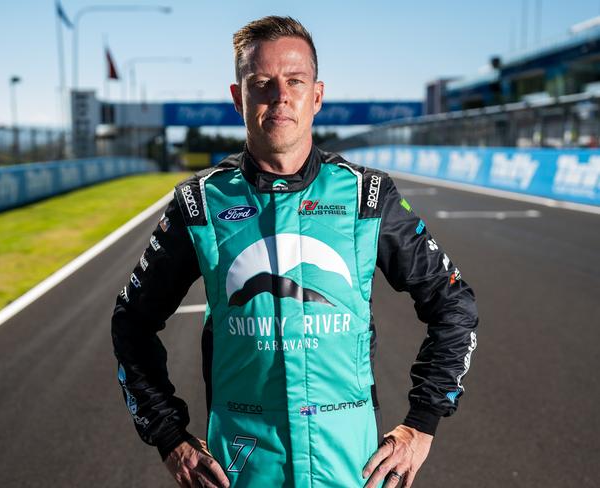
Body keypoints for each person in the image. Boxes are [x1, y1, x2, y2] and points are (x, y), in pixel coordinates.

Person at [111, 16, 478, 488]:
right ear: (237, 97)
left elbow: (454, 304)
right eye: (261, 83)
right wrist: (167, 435)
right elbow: (131, 320)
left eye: (295, 81)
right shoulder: (200, 203)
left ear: (317, 95)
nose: (280, 96)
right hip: (241, 470)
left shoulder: (367, 196)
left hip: (352, 469)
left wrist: (421, 425)